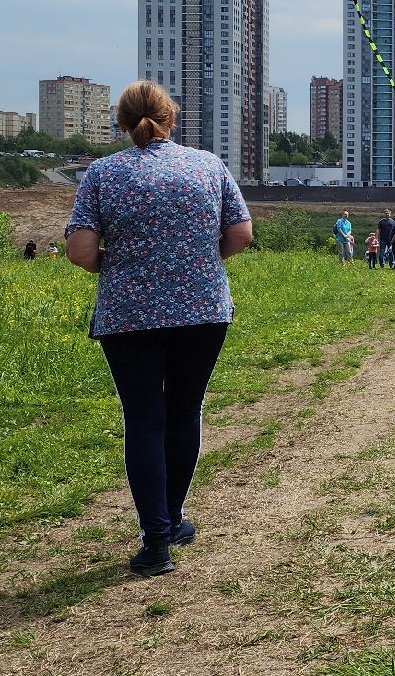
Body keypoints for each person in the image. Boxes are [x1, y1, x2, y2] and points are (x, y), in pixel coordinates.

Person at [65, 81, 254, 578]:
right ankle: (171, 521)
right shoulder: (207, 166)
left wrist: (126, 263)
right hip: (202, 308)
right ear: (172, 117)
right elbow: (240, 233)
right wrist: (198, 263)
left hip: (129, 315)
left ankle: (156, 540)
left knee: (145, 419)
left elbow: (82, 252)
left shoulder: (102, 174)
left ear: (122, 123)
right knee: (185, 410)